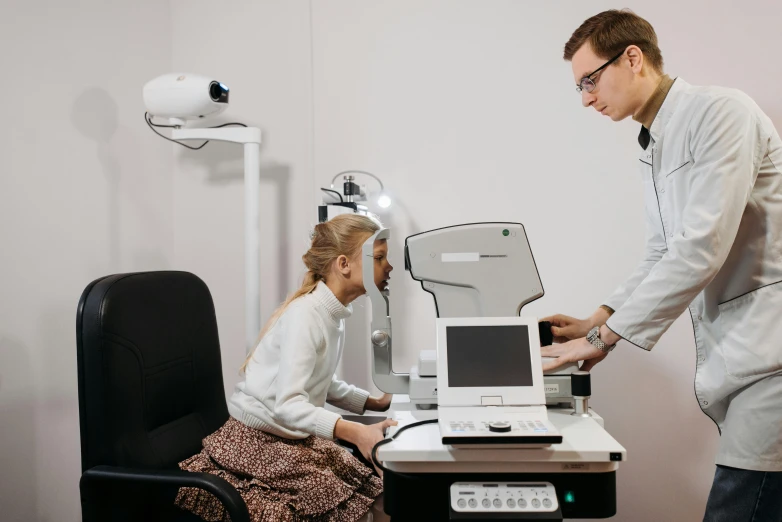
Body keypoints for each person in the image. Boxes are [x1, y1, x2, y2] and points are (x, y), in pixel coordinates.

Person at [542, 9, 782, 521]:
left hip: (773, 356)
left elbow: (700, 247)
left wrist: (603, 340)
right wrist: (597, 318)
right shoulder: (654, 144)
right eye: (578, 86)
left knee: (737, 507)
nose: (585, 98)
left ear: (632, 58)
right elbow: (662, 252)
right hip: (742, 358)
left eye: (590, 79)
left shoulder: (720, 112)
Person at [175, 213, 397, 522]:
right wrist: (355, 431)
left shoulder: (331, 313)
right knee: (347, 502)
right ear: (344, 264)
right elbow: (289, 405)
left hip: (287, 436)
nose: (389, 267)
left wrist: (374, 402)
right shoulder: (307, 315)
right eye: (379, 257)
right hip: (257, 441)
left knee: (379, 491)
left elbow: (320, 380)